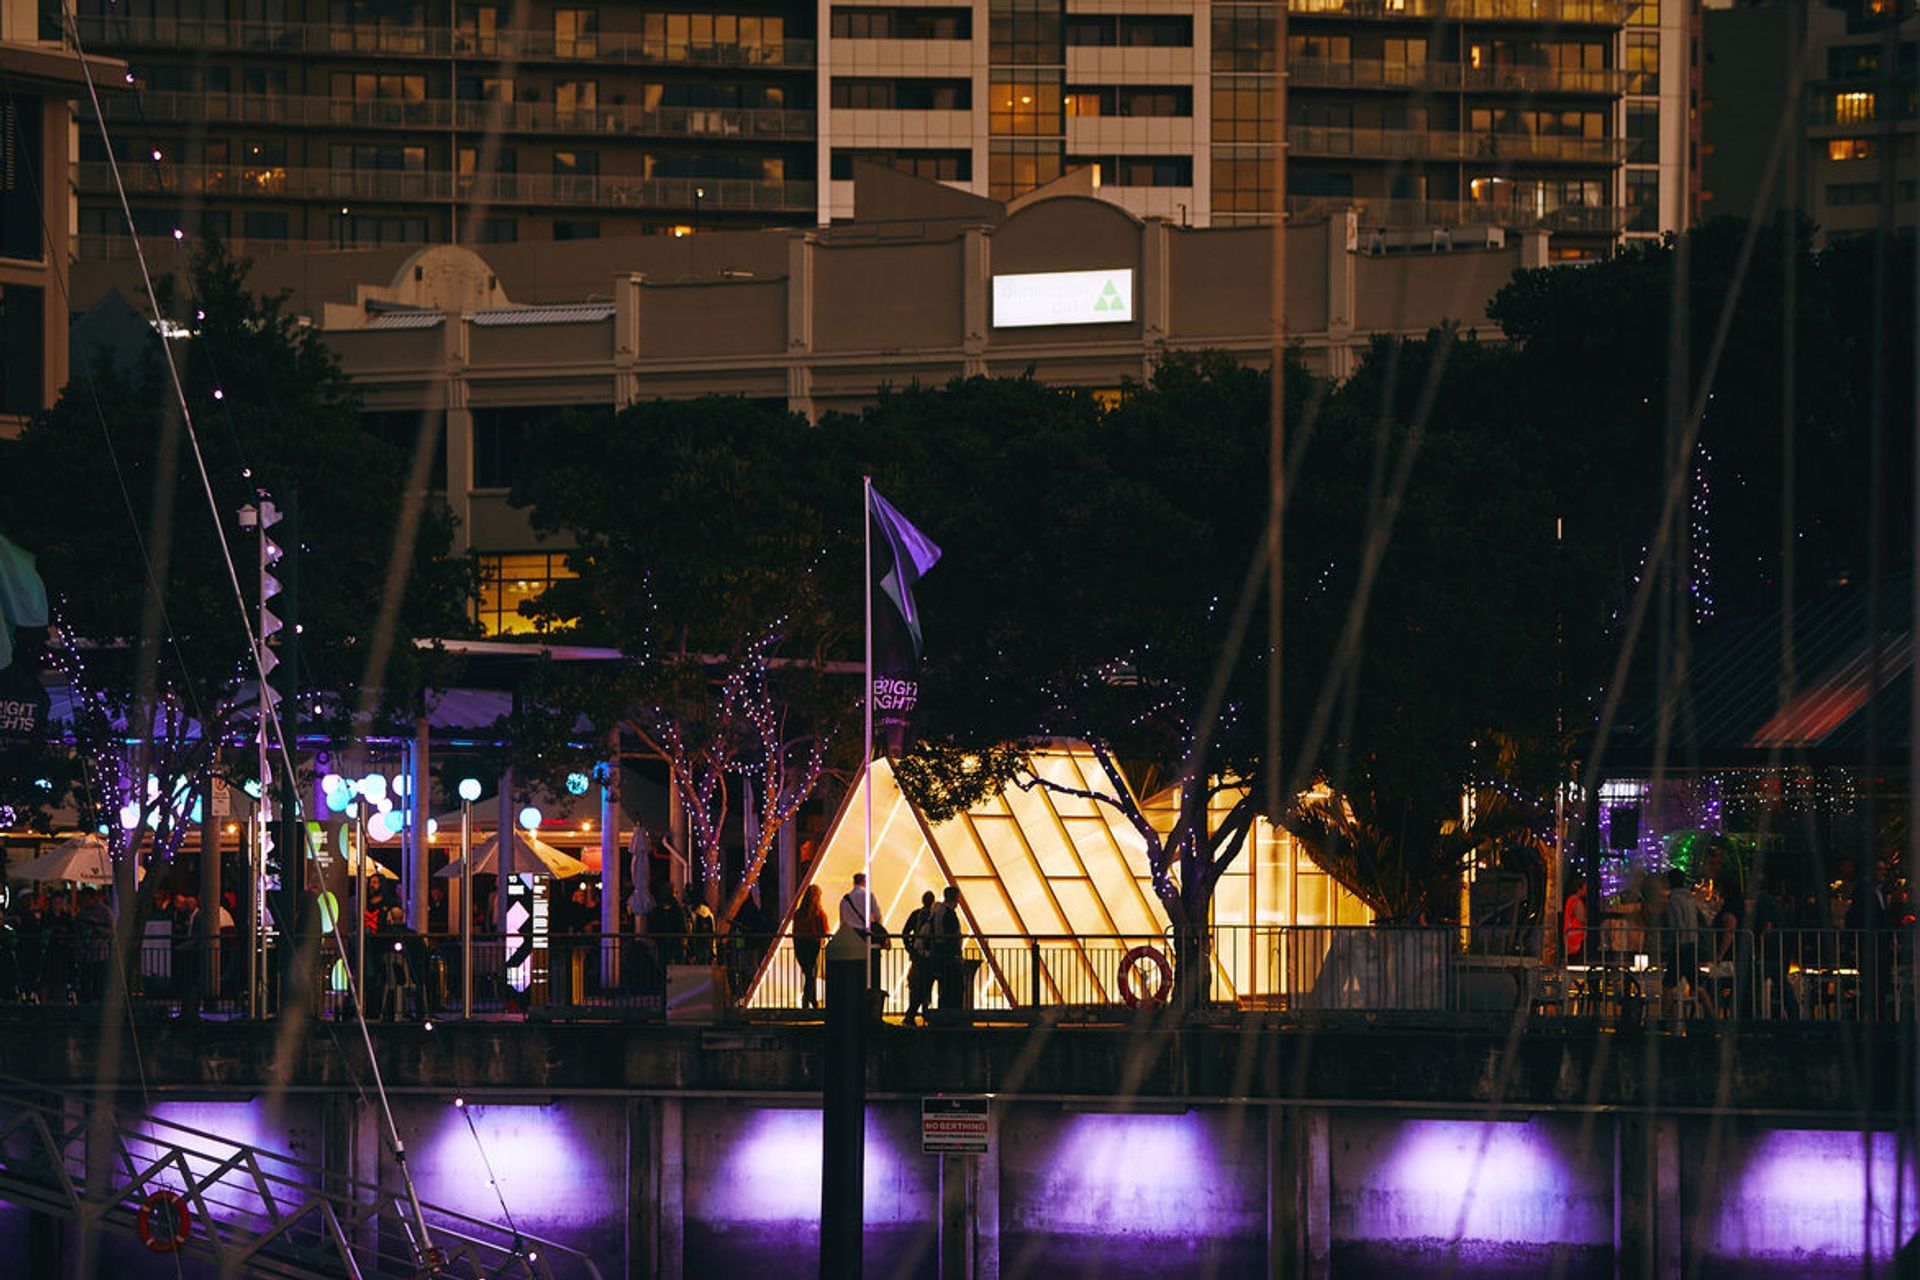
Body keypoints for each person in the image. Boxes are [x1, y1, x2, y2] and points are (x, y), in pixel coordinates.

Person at [901, 890, 937, 1026]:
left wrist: (910, 948)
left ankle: (912, 1014)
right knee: (926, 985)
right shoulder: (933, 916)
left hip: (917, 955)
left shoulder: (916, 914)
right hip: (929, 955)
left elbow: (905, 932)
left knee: (916, 984)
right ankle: (924, 1011)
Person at [930, 885, 965, 1016]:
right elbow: (951, 936)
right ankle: (952, 1015)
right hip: (948, 956)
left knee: (944, 987)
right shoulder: (949, 914)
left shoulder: (937, 911)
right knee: (954, 987)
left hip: (939, 953)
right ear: (955, 898)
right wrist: (957, 954)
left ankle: (943, 1015)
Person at [793, 884, 829, 1010]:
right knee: (811, 974)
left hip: (801, 946)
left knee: (809, 974)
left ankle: (812, 1001)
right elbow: (824, 930)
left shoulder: (799, 913)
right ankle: (807, 1001)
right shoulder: (819, 913)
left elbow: (795, 931)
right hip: (814, 945)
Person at [1563, 875, 1588, 964]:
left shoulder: (1570, 900)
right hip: (1576, 937)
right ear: (1580, 888)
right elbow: (1581, 919)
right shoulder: (1578, 902)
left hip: (1569, 935)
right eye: (1585, 887)